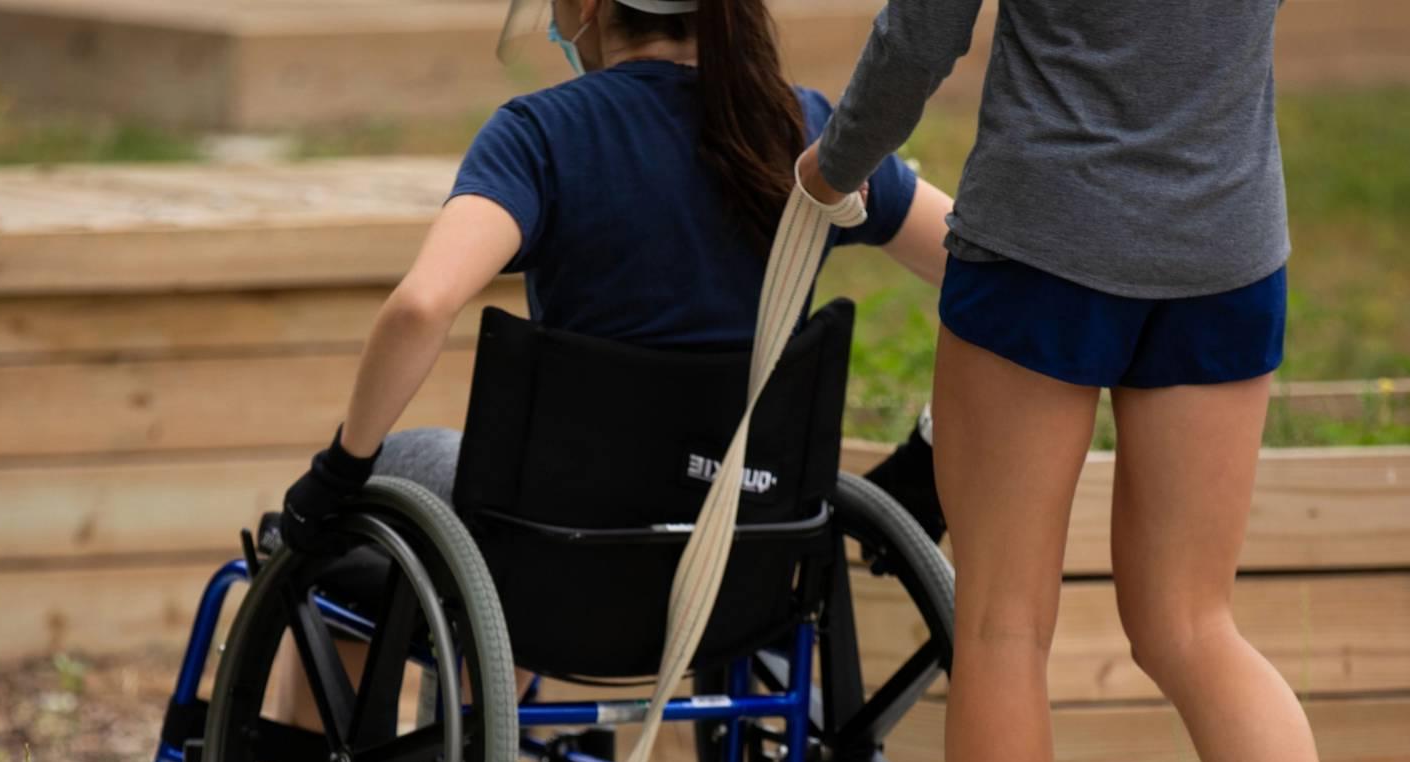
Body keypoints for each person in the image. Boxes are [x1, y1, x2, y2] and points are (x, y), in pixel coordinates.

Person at [797, 0, 1410, 762]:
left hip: (1047, 243)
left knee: (998, 625)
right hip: (1225, 249)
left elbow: (919, 32)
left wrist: (828, 169)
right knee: (1192, 621)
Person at [274, 0, 953, 562]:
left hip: (560, 538)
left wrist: (339, 471)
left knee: (377, 483)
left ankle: (314, 729)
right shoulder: (806, 132)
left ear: (588, 8)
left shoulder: (540, 137)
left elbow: (422, 306)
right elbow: (983, 270)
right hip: (750, 532)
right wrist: (934, 447)